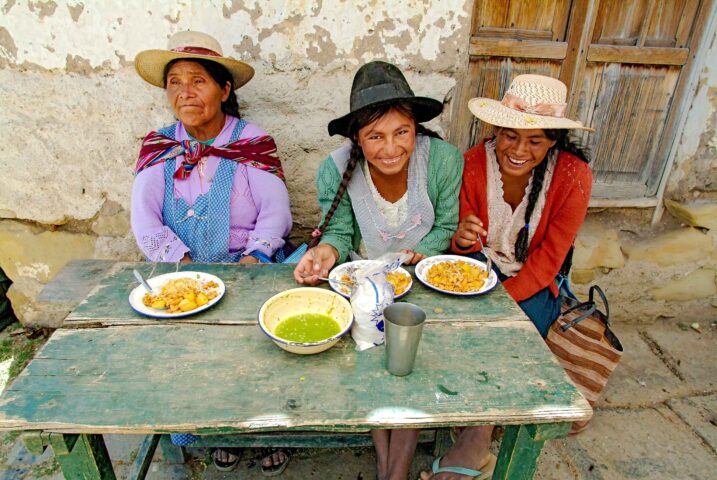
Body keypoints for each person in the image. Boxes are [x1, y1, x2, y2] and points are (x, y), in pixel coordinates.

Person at [293, 61, 464, 480]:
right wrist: (325, 254)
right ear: (357, 138)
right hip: (361, 284)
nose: (390, 148)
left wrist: (415, 258)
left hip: (421, 281)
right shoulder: (335, 169)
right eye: (375, 136)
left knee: (407, 361)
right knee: (370, 356)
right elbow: (337, 231)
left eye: (401, 132)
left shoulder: (442, 159)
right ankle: (387, 464)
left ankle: (394, 471)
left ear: (415, 128)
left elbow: (445, 225)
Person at [131, 30, 291, 475]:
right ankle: (214, 432)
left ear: (225, 89)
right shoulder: (159, 146)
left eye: (198, 80)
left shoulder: (251, 142)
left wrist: (253, 260)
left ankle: (263, 432)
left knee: (258, 351)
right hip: (185, 277)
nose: (185, 92)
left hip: (250, 268)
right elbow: (145, 221)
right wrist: (187, 272)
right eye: (175, 82)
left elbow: (276, 213)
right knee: (191, 357)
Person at [421, 75, 593, 479]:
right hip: (480, 269)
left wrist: (501, 306)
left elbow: (549, 260)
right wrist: (463, 239)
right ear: (495, 130)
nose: (519, 150)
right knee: (453, 319)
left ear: (554, 140)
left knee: (513, 330)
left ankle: (475, 442)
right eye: (510, 136)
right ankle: (463, 411)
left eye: (535, 140)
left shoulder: (573, 175)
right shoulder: (471, 163)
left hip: (534, 281)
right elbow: (461, 246)